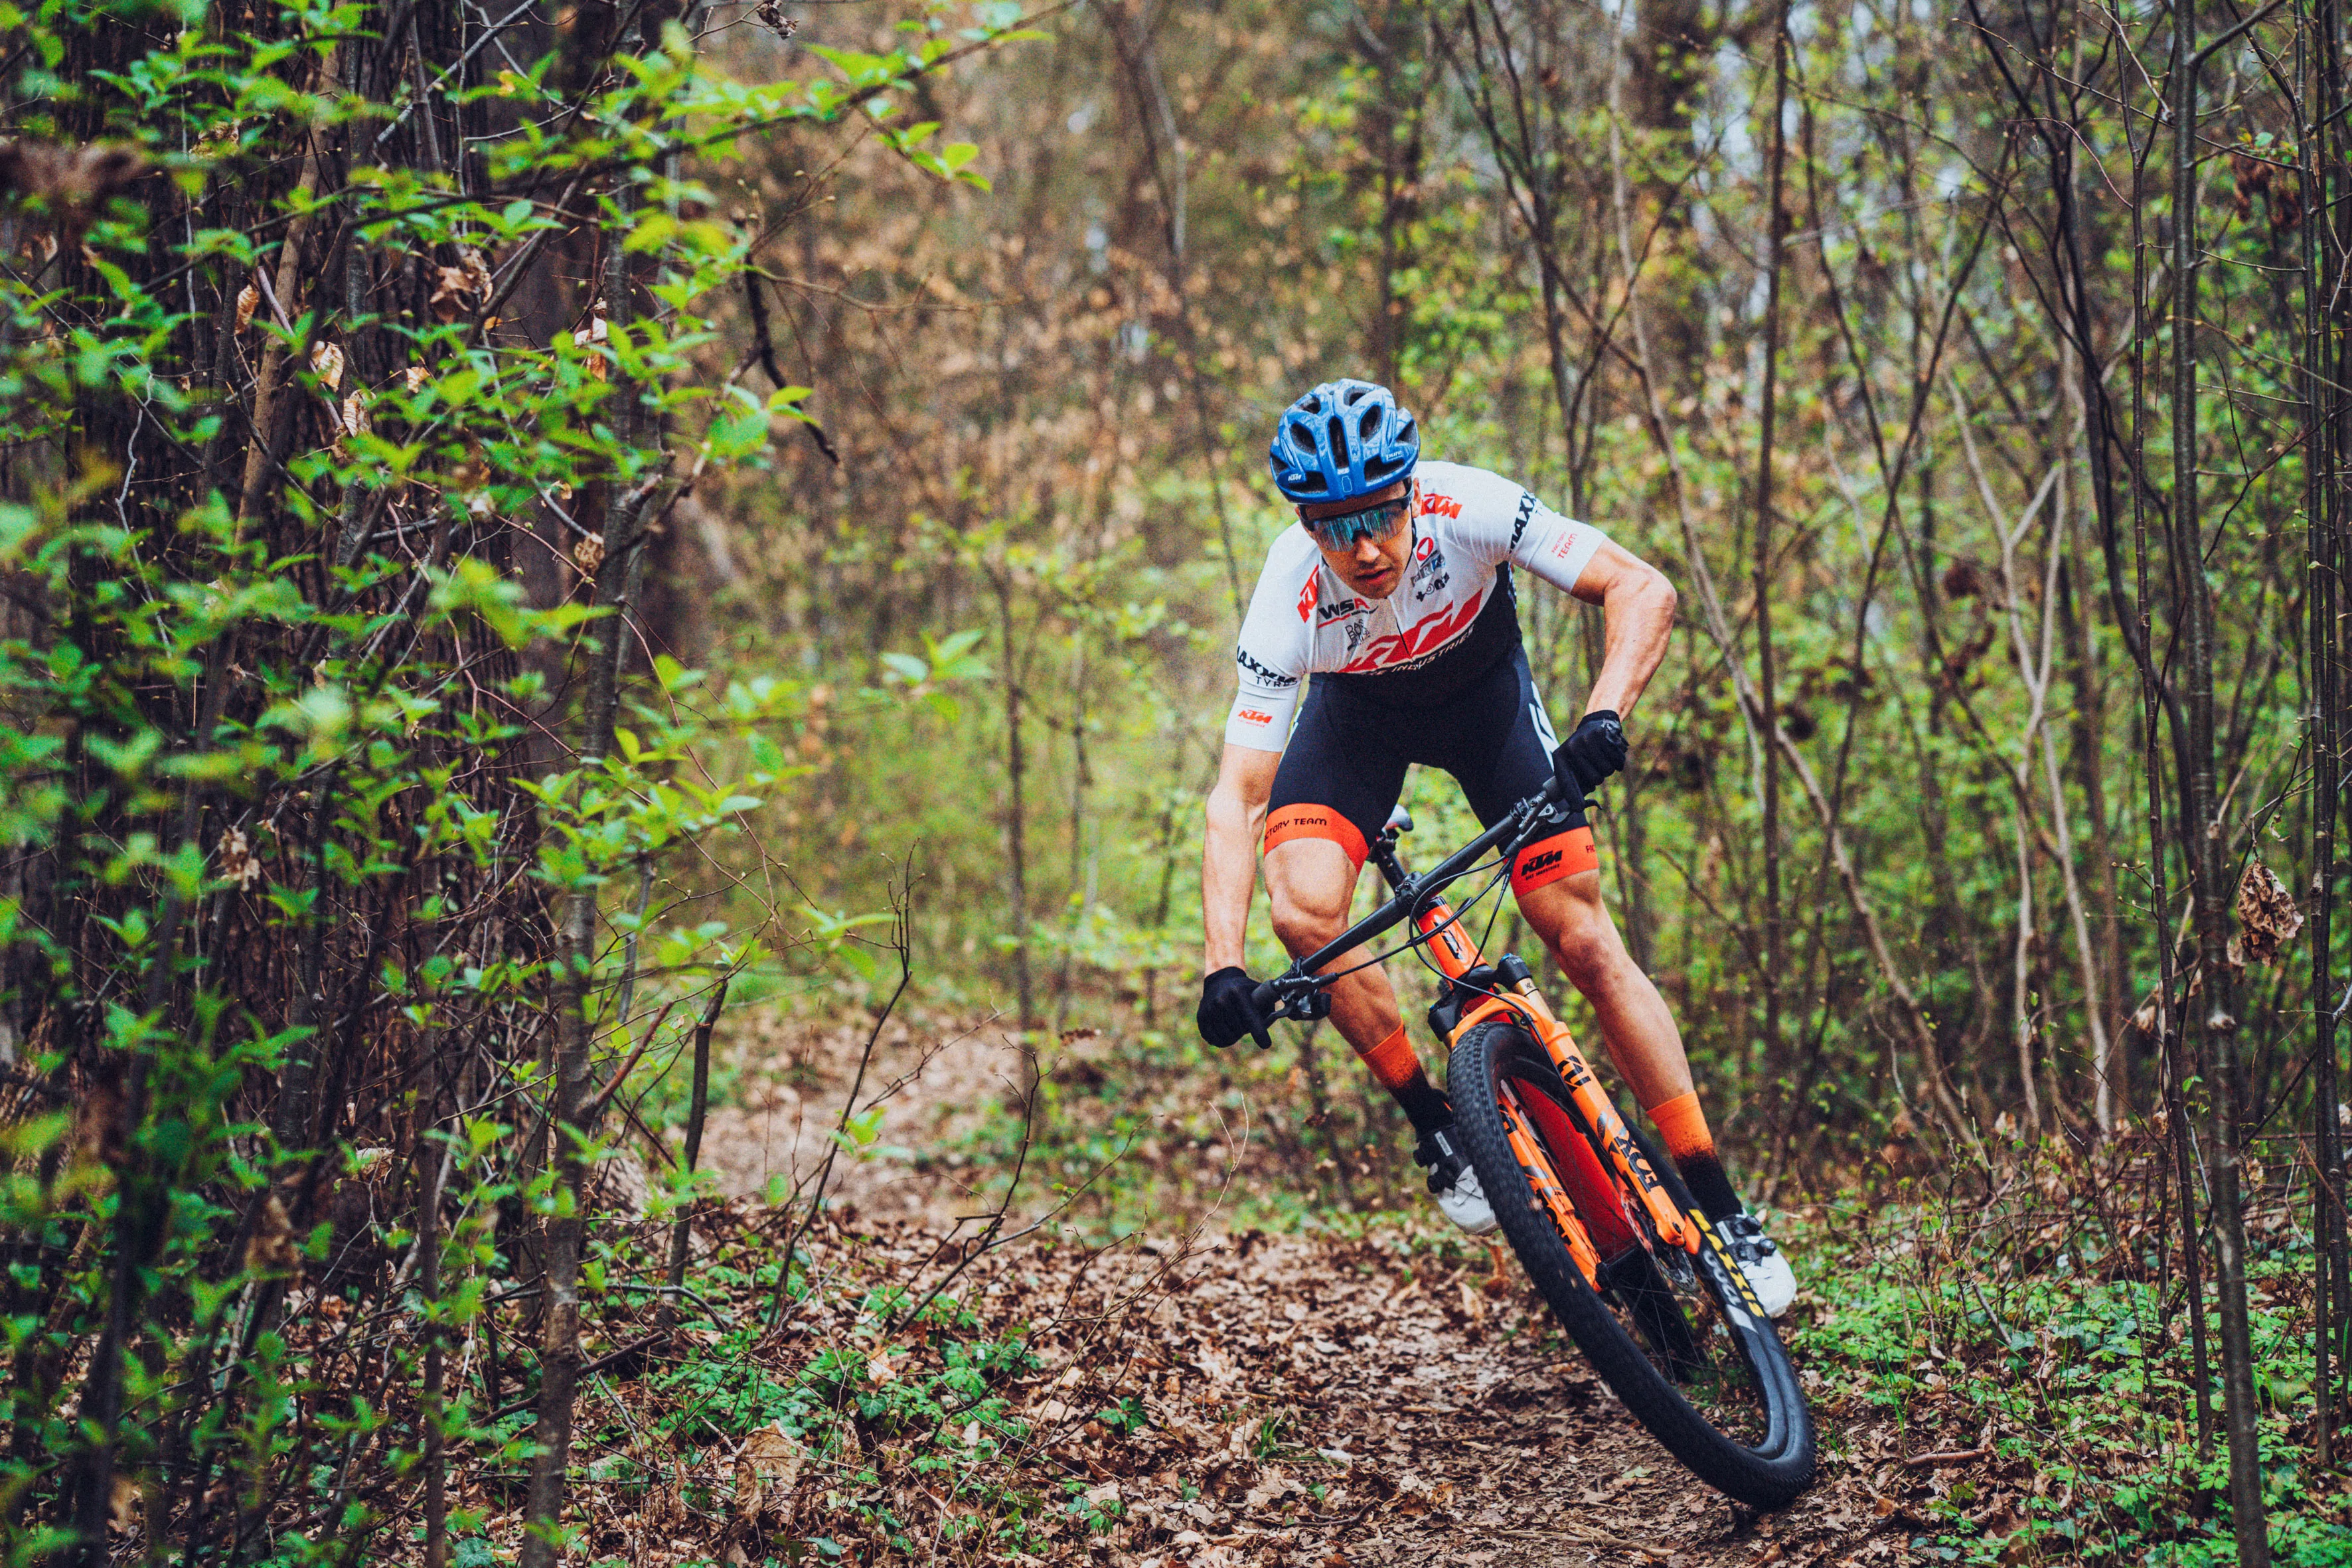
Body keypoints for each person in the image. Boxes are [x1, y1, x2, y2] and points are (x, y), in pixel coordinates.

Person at [1194, 378, 1796, 1317]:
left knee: (1581, 934)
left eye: (1379, 519)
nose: (1362, 548)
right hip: (1358, 726)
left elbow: (1641, 587)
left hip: (1486, 707)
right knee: (1303, 909)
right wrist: (1220, 965)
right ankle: (1436, 1127)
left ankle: (1722, 1208)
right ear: (1305, 526)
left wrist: (1603, 716)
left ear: (1409, 493)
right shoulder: (1288, 593)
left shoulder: (1465, 503)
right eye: (1333, 526)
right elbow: (1236, 795)